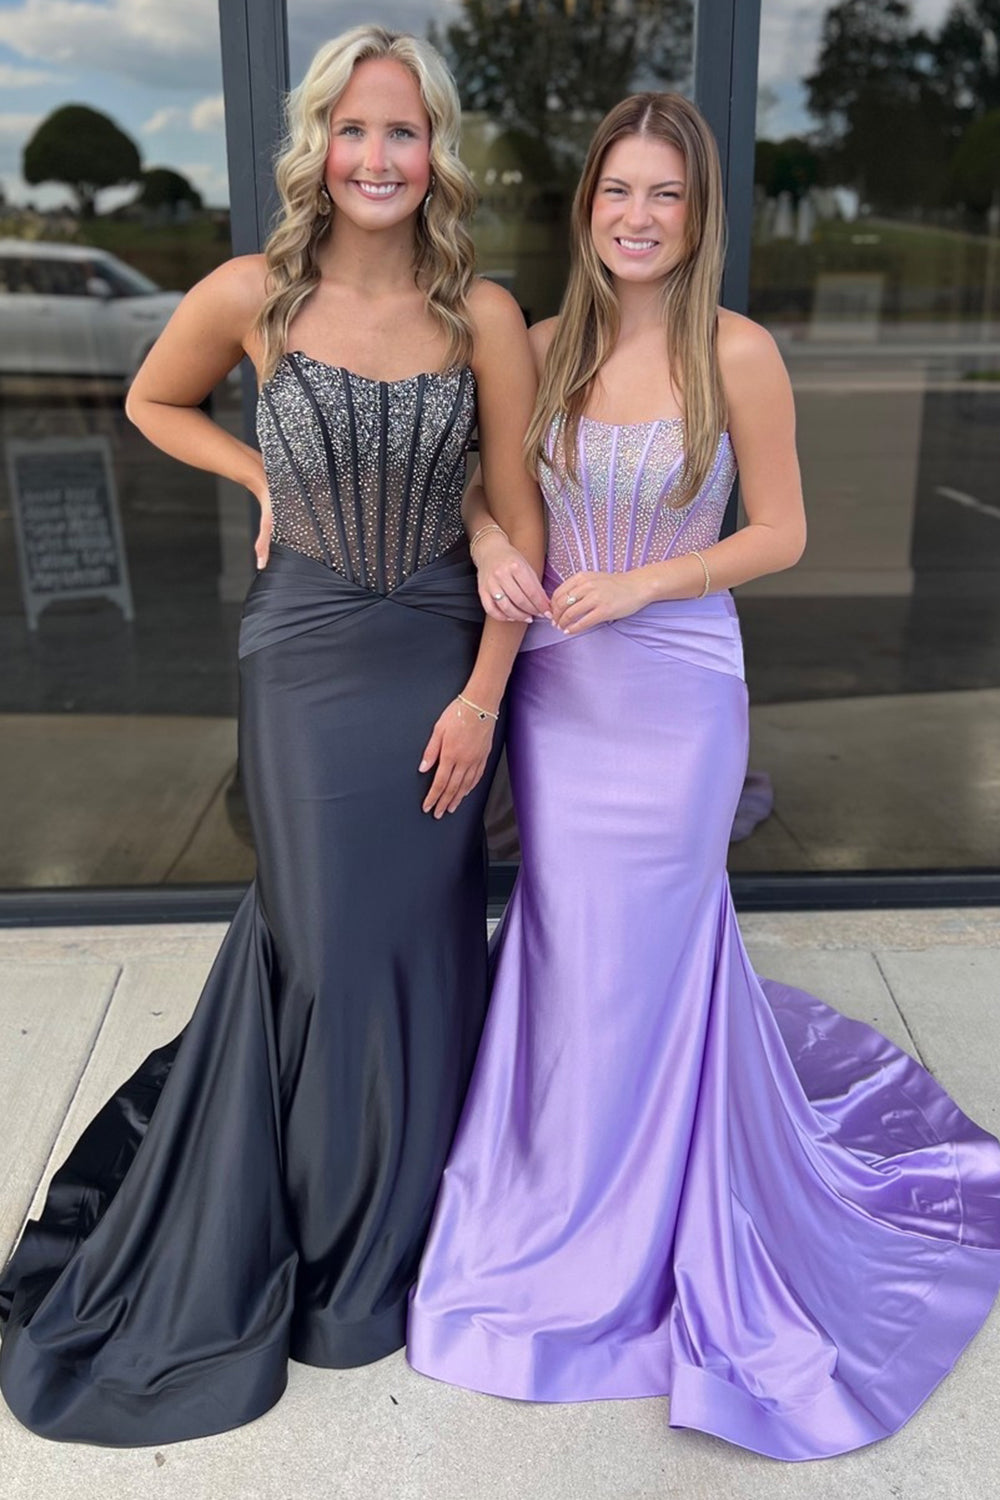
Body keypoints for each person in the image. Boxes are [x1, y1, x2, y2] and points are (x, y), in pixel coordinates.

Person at [407, 92, 1000, 1462]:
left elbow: (782, 532)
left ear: (697, 214)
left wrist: (645, 582)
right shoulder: (537, 347)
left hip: (676, 693)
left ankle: (655, 1221)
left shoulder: (738, 351)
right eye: (618, 191)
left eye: (664, 195)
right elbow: (486, 490)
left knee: (656, 949)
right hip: (560, 693)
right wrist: (492, 540)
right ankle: (553, 1200)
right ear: (587, 208)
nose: (638, 216)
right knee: (569, 942)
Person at [0, 26, 543, 1447]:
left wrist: (485, 696)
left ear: (436, 152)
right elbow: (151, 400)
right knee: (325, 942)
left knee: (419, 945)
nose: (377, 155)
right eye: (355, 129)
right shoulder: (255, 292)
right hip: (303, 655)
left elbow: (519, 522)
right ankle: (308, 1232)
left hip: (439, 655)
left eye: (403, 131)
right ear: (320, 144)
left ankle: (394, 1242)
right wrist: (260, 476)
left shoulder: (482, 312)